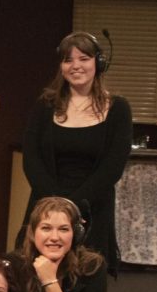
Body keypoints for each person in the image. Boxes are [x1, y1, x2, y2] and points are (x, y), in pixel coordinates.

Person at [21, 32, 133, 275]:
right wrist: (55, 205)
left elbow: (113, 166)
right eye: (68, 60)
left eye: (83, 58)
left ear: (98, 64)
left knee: (85, 280)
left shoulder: (118, 109)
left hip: (93, 208)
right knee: (34, 281)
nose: (76, 66)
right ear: (61, 66)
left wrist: (74, 206)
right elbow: (31, 157)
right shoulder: (45, 105)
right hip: (45, 206)